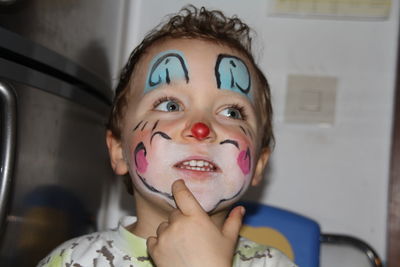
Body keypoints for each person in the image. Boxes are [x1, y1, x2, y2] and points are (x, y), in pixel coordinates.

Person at [38, 5, 297, 267]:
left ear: (259, 163)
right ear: (119, 150)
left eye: (231, 111)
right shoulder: (72, 262)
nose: (200, 128)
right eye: (170, 105)